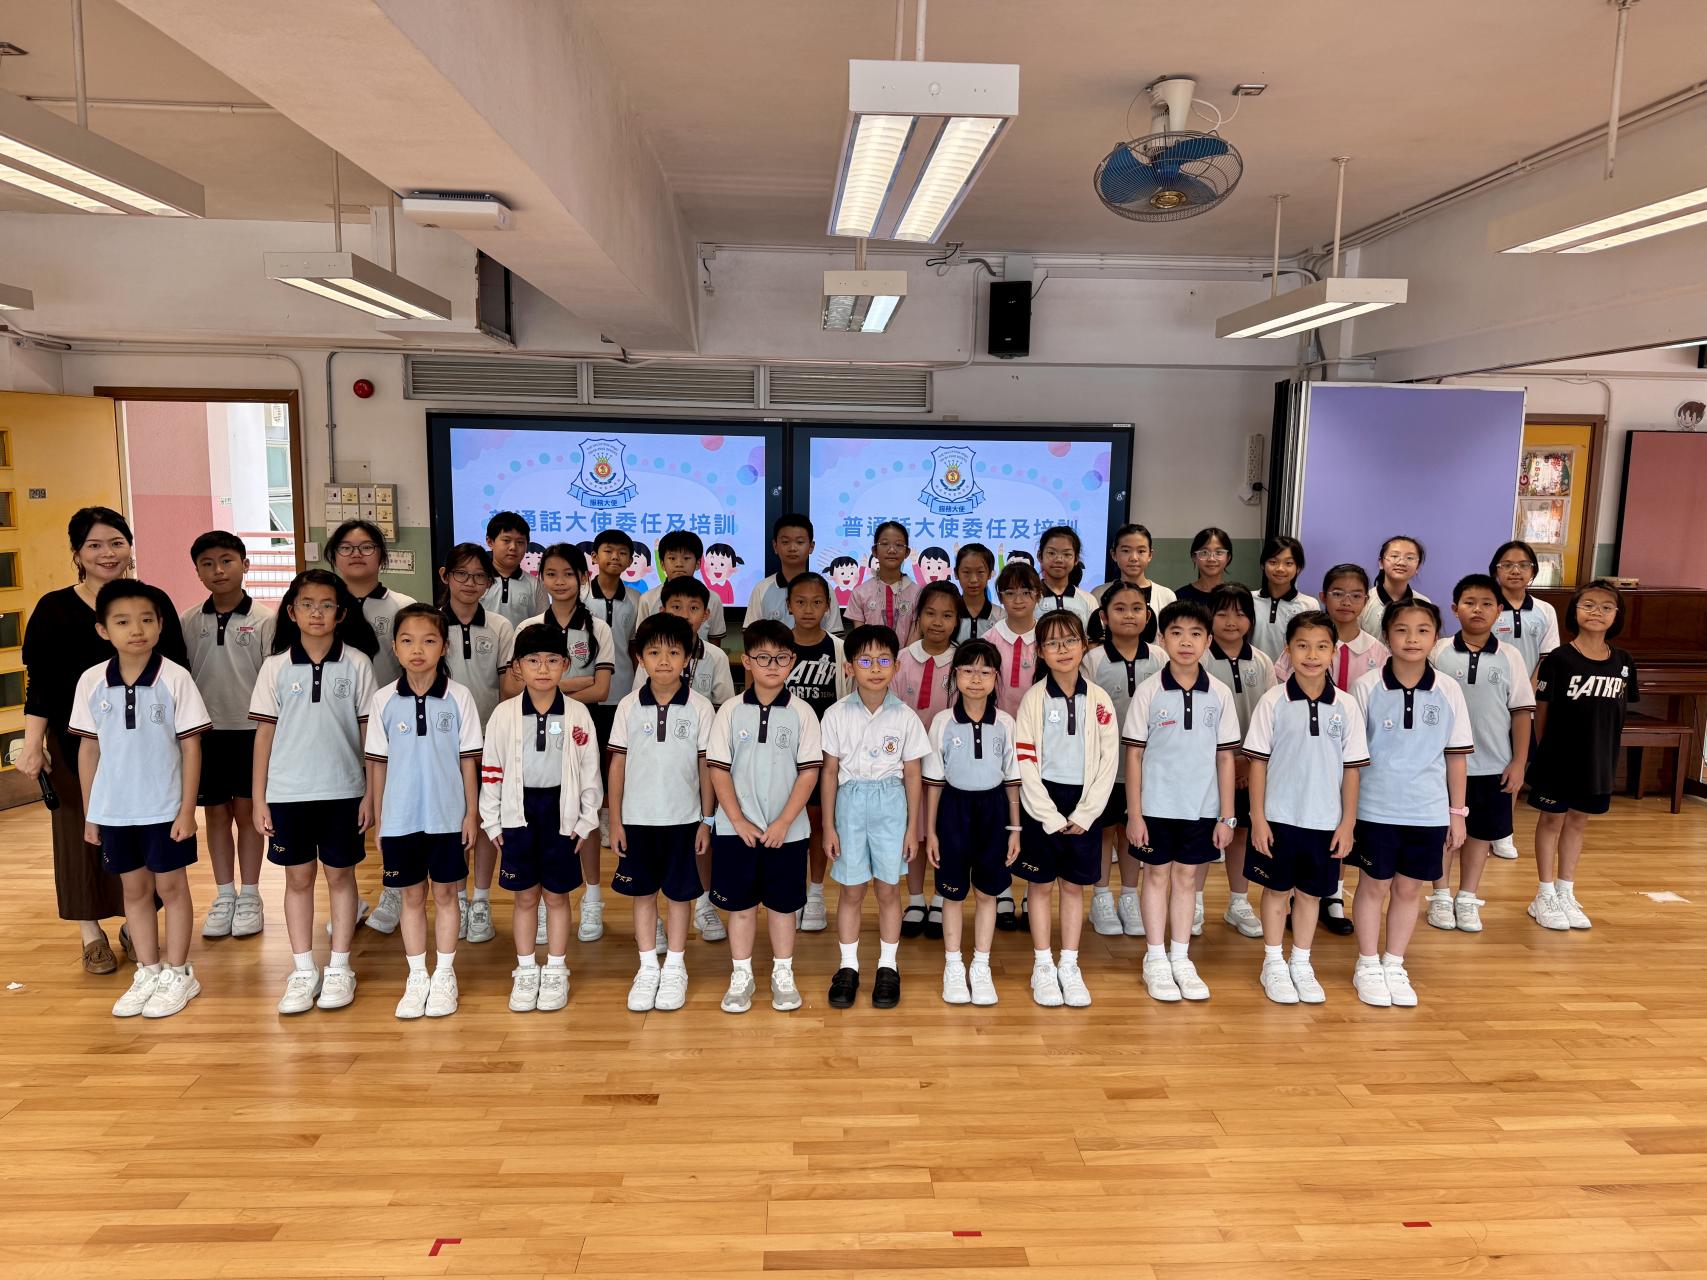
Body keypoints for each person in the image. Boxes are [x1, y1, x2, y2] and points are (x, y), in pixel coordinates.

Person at [18, 507, 188, 974]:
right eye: (94, 545)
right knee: (81, 836)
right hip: (78, 744)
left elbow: (177, 671)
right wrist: (32, 743)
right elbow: (41, 684)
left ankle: (137, 926)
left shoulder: (151, 601)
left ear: (130, 547)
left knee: (144, 831)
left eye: (116, 542)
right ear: (77, 554)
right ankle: (90, 932)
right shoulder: (53, 609)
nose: (107, 553)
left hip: (146, 746)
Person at [71, 580, 211, 1019]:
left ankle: (179, 972)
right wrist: (92, 813)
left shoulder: (175, 677)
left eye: (146, 620)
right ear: (103, 630)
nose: (137, 630)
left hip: (165, 808)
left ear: (160, 624)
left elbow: (191, 747)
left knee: (172, 888)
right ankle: (148, 971)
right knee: (134, 890)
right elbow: (89, 750)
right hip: (116, 810)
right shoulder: (92, 681)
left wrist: (187, 809)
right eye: (123, 622)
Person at [251, 569, 379, 1014]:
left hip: (344, 791)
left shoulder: (358, 664)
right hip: (288, 793)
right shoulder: (275, 667)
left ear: (341, 614)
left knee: (341, 877)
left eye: (327, 605)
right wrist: (260, 797)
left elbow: (370, 736)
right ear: (292, 612)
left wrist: (370, 793)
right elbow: (264, 736)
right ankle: (303, 969)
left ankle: (340, 966)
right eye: (307, 604)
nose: (317, 613)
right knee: (298, 879)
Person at [1348, 600, 1471, 1008]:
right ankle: (1368, 963)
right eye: (1401, 630)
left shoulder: (1448, 689)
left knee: (1408, 888)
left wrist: (1457, 814)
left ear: (1436, 638)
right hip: (1374, 808)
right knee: (1374, 885)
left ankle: (1394, 962)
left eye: (1422, 630)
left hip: (1427, 810)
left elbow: (1456, 756)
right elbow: (1351, 757)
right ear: (1386, 636)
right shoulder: (1366, 686)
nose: (1412, 639)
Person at [363, 605, 484, 1020]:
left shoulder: (459, 697)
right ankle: (417, 976)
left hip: (447, 817)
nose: (418, 650)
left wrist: (471, 814)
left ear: (443, 647)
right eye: (408, 641)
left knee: (447, 895)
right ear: (395, 647)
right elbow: (378, 765)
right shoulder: (383, 700)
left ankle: (445, 973)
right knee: (411, 896)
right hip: (401, 819)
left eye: (429, 641)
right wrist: (381, 819)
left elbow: (468, 761)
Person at [1242, 610, 1369, 1005]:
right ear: (1288, 650)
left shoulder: (1346, 705)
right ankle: (1273, 961)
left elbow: (1352, 770)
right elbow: (1258, 764)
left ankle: (1301, 961)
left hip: (1325, 821)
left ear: (1333, 651)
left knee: (1311, 895)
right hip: (1278, 819)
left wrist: (1347, 823)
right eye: (1302, 646)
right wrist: (1258, 818)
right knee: (1276, 891)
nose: (1311, 655)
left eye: (1321, 647)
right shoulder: (1272, 701)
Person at [479, 624, 603, 1015]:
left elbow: (590, 770)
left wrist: (586, 819)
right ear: (517, 667)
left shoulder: (578, 713)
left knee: (557, 895)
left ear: (565, 664)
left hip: (561, 814)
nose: (543, 669)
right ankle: (526, 968)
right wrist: (492, 821)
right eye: (533, 661)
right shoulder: (504, 714)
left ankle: (556, 968)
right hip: (518, 813)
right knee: (525, 896)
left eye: (552, 660)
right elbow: (491, 770)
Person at [1123, 600, 1240, 1003]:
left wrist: (1227, 817)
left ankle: (1180, 955)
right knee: (1156, 877)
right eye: (1176, 633)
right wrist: (1135, 814)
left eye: (1195, 634)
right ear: (1162, 639)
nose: (1185, 642)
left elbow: (1226, 758)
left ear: (1208, 641)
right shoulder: (1148, 691)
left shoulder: (1219, 694)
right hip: (1155, 808)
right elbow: (1134, 755)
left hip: (1201, 809)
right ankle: (1155, 957)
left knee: (1187, 880)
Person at [706, 620, 821, 1014]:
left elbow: (809, 773)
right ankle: (741, 975)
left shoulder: (803, 713)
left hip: (788, 832)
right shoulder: (729, 711)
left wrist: (784, 822)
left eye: (781, 658)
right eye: (763, 657)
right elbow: (718, 769)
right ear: (747, 661)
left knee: (783, 907)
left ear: (793, 661)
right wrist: (738, 820)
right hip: (735, 831)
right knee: (740, 908)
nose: (772, 665)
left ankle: (782, 973)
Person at [819, 624, 931, 1010]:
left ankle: (888, 965)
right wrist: (828, 826)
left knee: (887, 890)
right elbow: (829, 772)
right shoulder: (835, 715)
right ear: (849, 668)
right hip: (849, 806)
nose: (875, 668)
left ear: (897, 666)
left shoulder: (906, 718)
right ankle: (848, 966)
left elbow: (913, 774)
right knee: (851, 891)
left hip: (890, 807)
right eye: (865, 661)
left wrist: (912, 829)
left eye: (884, 660)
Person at [607, 613, 716, 1013]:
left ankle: (675, 966)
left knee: (680, 895)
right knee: (643, 894)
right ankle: (648, 966)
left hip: (684, 821)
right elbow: (617, 764)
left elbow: (706, 767)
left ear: (688, 657)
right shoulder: (628, 706)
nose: (664, 661)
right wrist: (615, 820)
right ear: (640, 658)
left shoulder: (701, 707)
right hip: (637, 821)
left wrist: (706, 819)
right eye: (654, 653)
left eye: (673, 652)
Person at [1273, 562, 1387, 936]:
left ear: (1366, 601)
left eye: (1355, 595)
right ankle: (1297, 895)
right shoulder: (1303, 643)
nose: (1346, 601)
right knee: (1307, 824)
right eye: (1338, 593)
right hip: (1305, 754)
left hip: (1352, 751)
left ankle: (1333, 895)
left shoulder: (1377, 651)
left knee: (1339, 825)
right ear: (1324, 597)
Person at [1014, 610, 1120, 1008]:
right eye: (1053, 643)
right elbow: (1025, 760)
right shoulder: (1034, 699)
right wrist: (1048, 815)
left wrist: (1086, 814)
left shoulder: (1100, 699)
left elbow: (1108, 761)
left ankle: (1069, 964)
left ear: (1085, 645)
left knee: (1074, 887)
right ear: (1040, 651)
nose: (1063, 649)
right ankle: (1043, 964)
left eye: (1070, 640)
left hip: (1084, 805)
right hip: (1042, 803)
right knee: (1040, 886)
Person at [1524, 580, 1638, 933]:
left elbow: (1618, 714)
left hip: (1598, 760)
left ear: (1616, 615)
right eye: (1588, 604)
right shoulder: (1559, 659)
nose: (1596, 612)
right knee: (1552, 821)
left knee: (1578, 821)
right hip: (1558, 759)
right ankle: (1544, 894)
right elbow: (1542, 712)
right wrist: (1544, 754)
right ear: (1575, 611)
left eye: (1606, 607)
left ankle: (1565, 891)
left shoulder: (1623, 661)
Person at [180, 530, 275, 942]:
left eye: (226, 561)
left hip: (252, 733)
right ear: (198, 572)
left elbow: (272, 681)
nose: (218, 570)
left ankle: (250, 894)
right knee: (216, 815)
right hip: (205, 734)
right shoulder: (188, 621)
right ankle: (224, 895)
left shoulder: (266, 619)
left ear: (245, 565)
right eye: (207, 564)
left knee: (248, 813)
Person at [518, 542, 614, 944]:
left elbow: (602, 689)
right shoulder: (528, 628)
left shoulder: (598, 628)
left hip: (582, 728)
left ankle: (592, 897)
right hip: (533, 729)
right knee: (541, 815)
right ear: (541, 578)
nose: (559, 582)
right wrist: (577, 682)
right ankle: (544, 903)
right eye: (551, 574)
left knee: (584, 811)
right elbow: (515, 687)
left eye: (568, 574)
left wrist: (556, 689)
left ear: (583, 578)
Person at [1427, 575, 1534, 934]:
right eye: (1469, 602)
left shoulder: (1510, 656)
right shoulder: (1438, 650)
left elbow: (1521, 712)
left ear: (1499, 610)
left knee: (1481, 835)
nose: (1478, 609)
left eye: (1487, 603)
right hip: (1442, 766)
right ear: (1454, 608)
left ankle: (1467, 897)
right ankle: (1440, 896)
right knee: (1444, 833)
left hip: (1493, 765)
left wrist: (1518, 762)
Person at [923, 639, 1021, 1006]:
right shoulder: (942, 722)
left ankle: (981, 965)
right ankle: (953, 965)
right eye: (967, 671)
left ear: (996, 677)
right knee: (951, 894)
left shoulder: (1006, 723)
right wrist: (931, 831)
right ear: (955, 676)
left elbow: (1012, 779)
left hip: (994, 812)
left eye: (984, 671)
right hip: (953, 811)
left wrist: (1015, 829)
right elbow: (934, 782)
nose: (976, 679)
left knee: (987, 892)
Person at [433, 543, 515, 946]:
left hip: (488, 740)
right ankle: (459, 899)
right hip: (440, 741)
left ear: (489, 582)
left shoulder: (500, 626)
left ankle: (480, 899)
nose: (470, 583)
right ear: (445, 576)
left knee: (485, 820)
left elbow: (507, 688)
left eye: (480, 576)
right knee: (453, 820)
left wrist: (502, 736)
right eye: (462, 574)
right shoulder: (429, 623)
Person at [1083, 582, 1164, 938]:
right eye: (1119, 608)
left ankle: (1129, 896)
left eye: (1136, 608)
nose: (1128, 615)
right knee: (1103, 832)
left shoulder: (1161, 658)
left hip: (1147, 769)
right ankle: (1101, 897)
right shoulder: (1092, 660)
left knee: (1134, 832)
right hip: (1104, 767)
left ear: (1147, 615)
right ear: (1104, 616)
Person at [1202, 584, 1275, 941]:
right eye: (1222, 613)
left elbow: (1270, 717)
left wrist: (1246, 763)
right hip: (1206, 766)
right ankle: (1194, 903)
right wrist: (1225, 763)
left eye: (1240, 613)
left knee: (1241, 833)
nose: (1231, 621)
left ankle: (1238, 902)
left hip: (1250, 766)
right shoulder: (1200, 658)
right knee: (1204, 835)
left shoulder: (1262, 661)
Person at [894, 581, 964, 939]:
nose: (938, 622)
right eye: (930, 613)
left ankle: (940, 898)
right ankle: (916, 899)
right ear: (918, 616)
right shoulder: (902, 659)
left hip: (948, 769)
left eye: (947, 615)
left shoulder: (963, 662)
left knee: (942, 832)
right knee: (915, 832)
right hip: (906, 766)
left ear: (957, 620)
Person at [1487, 538, 1559, 864]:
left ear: (1533, 571)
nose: (1515, 570)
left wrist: (1524, 694)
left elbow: (1547, 658)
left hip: (1524, 703)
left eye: (1522, 565)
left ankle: (1503, 831)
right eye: (1507, 565)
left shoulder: (1544, 611)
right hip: (1488, 700)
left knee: (1515, 763)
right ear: (1496, 570)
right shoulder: (1488, 604)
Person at [783, 571, 848, 933]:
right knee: (789, 821)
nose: (809, 609)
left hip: (825, 753)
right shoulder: (779, 647)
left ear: (828, 606)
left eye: (817, 602)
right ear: (789, 605)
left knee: (820, 822)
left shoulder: (839, 650)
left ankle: (816, 892)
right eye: (801, 602)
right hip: (783, 751)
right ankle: (792, 892)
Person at [326, 518, 414, 686]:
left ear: (382, 556)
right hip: (333, 699)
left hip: (390, 698)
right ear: (334, 557)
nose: (356, 554)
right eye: (345, 548)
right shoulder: (323, 608)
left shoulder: (405, 607)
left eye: (366, 547)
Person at [747, 515, 843, 632]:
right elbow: (751, 635)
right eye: (785, 542)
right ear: (775, 546)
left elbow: (834, 635)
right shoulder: (761, 589)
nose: (792, 548)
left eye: (800, 542)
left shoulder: (824, 588)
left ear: (811, 547)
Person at [634, 530, 728, 644]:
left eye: (686, 558)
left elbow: (715, 642)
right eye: (672, 558)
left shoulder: (713, 598)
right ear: (662, 564)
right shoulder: (647, 599)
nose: (679, 564)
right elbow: (642, 640)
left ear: (698, 563)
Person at [662, 576, 735, 707]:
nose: (685, 615)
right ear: (663, 612)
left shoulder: (717, 657)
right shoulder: (651, 654)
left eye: (694, 608)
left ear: (705, 614)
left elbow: (724, 709)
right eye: (676, 607)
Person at [844, 521, 921, 641]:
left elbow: (915, 635)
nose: (892, 550)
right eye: (885, 544)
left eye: (899, 545)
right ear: (875, 551)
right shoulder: (860, 593)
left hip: (907, 653)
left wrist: (905, 653)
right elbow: (860, 638)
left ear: (907, 552)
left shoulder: (917, 593)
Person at [1251, 535, 1319, 661]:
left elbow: (1311, 644)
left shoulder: (1309, 604)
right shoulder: (1249, 599)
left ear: (1298, 568)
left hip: (1292, 671)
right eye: (1273, 562)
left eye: (1288, 563)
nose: (1280, 569)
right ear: (1262, 565)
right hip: (1254, 669)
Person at [1093, 523, 1176, 623]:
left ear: (1150, 555)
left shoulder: (1166, 596)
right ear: (1114, 554)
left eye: (1141, 551)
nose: (1134, 558)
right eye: (1126, 551)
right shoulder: (1099, 594)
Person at [1359, 535, 1432, 636]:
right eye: (1394, 556)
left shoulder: (1424, 603)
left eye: (1410, 558)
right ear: (1381, 563)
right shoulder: (1364, 601)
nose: (1401, 562)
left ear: (1418, 567)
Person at [481, 511, 544, 628]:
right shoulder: (476, 580)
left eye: (520, 542)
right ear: (490, 542)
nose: (513, 547)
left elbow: (543, 626)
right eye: (506, 540)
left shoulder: (535, 585)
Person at [1035, 526, 1099, 626]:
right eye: (1051, 553)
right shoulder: (1030, 598)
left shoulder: (1088, 600)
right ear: (1040, 556)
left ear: (1076, 559)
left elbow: (1095, 635)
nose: (1059, 559)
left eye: (1066, 554)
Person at [954, 543, 1004, 641]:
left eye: (980, 572)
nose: (973, 579)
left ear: (990, 574)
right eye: (966, 572)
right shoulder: (949, 613)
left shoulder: (1001, 616)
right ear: (956, 573)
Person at [1175, 527, 1235, 608]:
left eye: (1219, 552)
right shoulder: (1180, 597)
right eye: (1204, 553)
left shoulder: (1236, 597)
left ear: (1228, 557)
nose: (1211, 559)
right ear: (1194, 557)